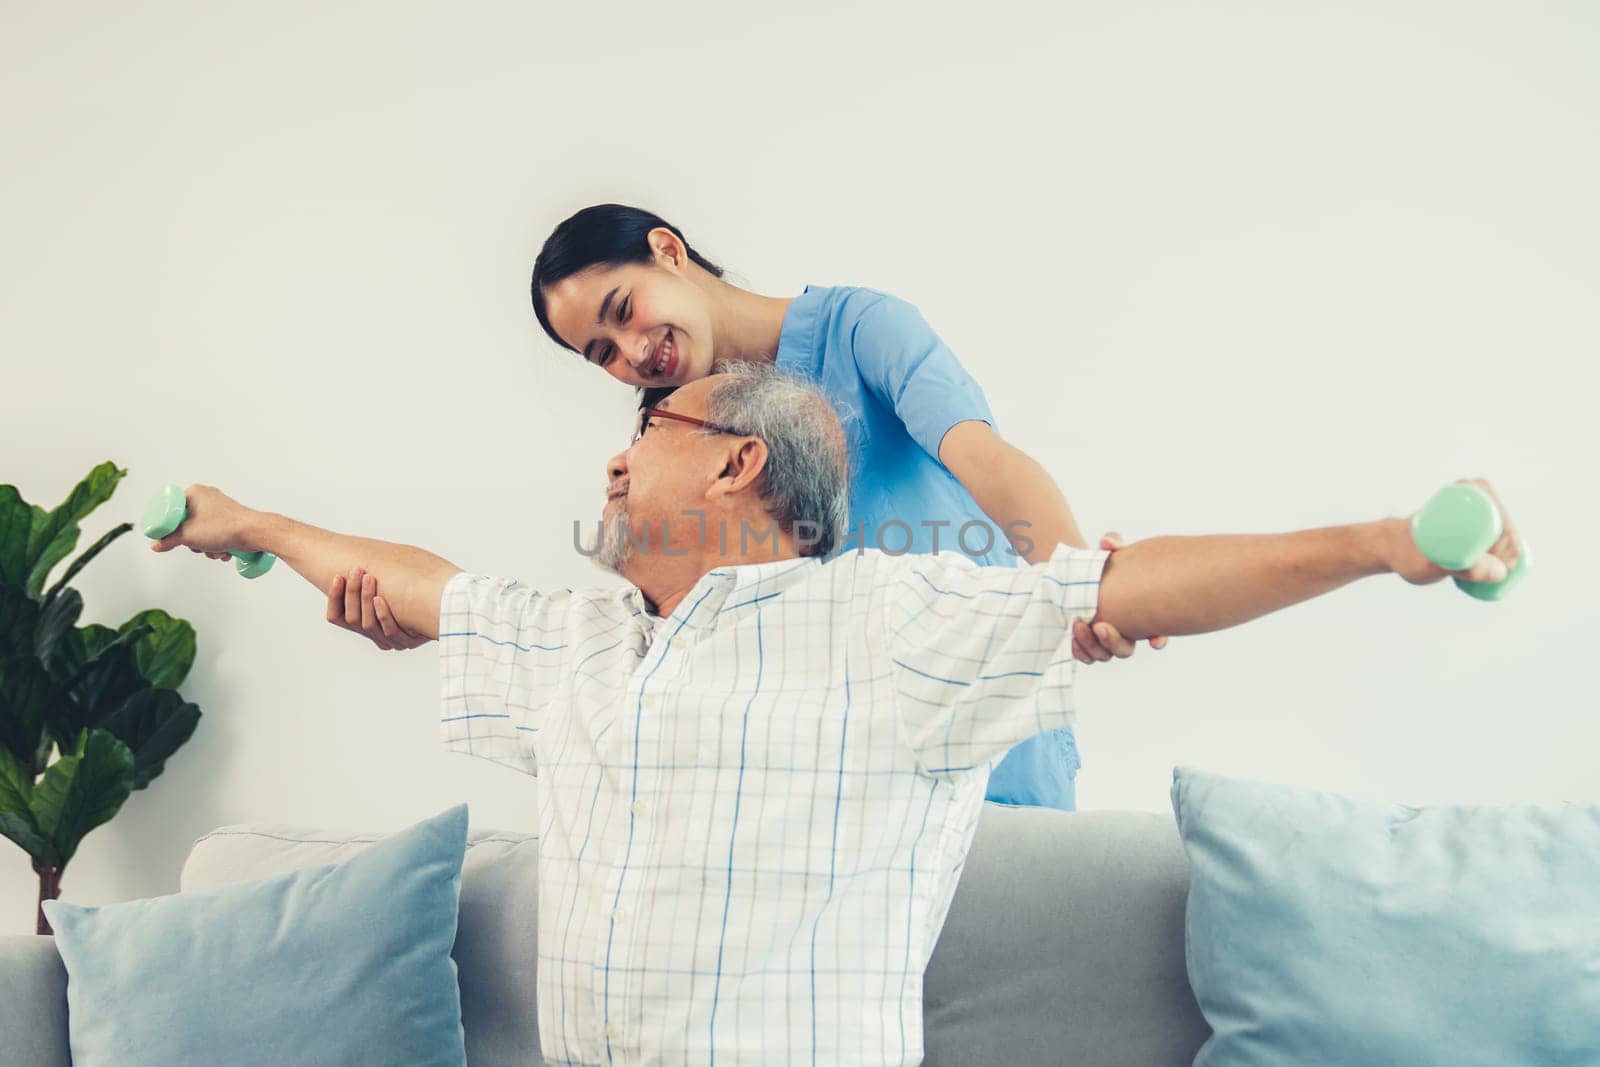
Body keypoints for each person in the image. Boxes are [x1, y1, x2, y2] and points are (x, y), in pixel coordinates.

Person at [152, 365, 1524, 1067]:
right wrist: (254, 525)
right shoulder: (581, 639)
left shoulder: (886, 620)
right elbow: (424, 583)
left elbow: (1122, 579)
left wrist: (1389, 539)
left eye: (649, 421)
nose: (613, 452)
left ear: (740, 457)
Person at [528, 203, 1165, 811]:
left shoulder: (861, 330)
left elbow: (989, 462)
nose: (634, 352)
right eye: (603, 352)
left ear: (667, 251)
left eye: (623, 310)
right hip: (839, 759)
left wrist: (1088, 585)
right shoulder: (678, 431)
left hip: (974, 699)